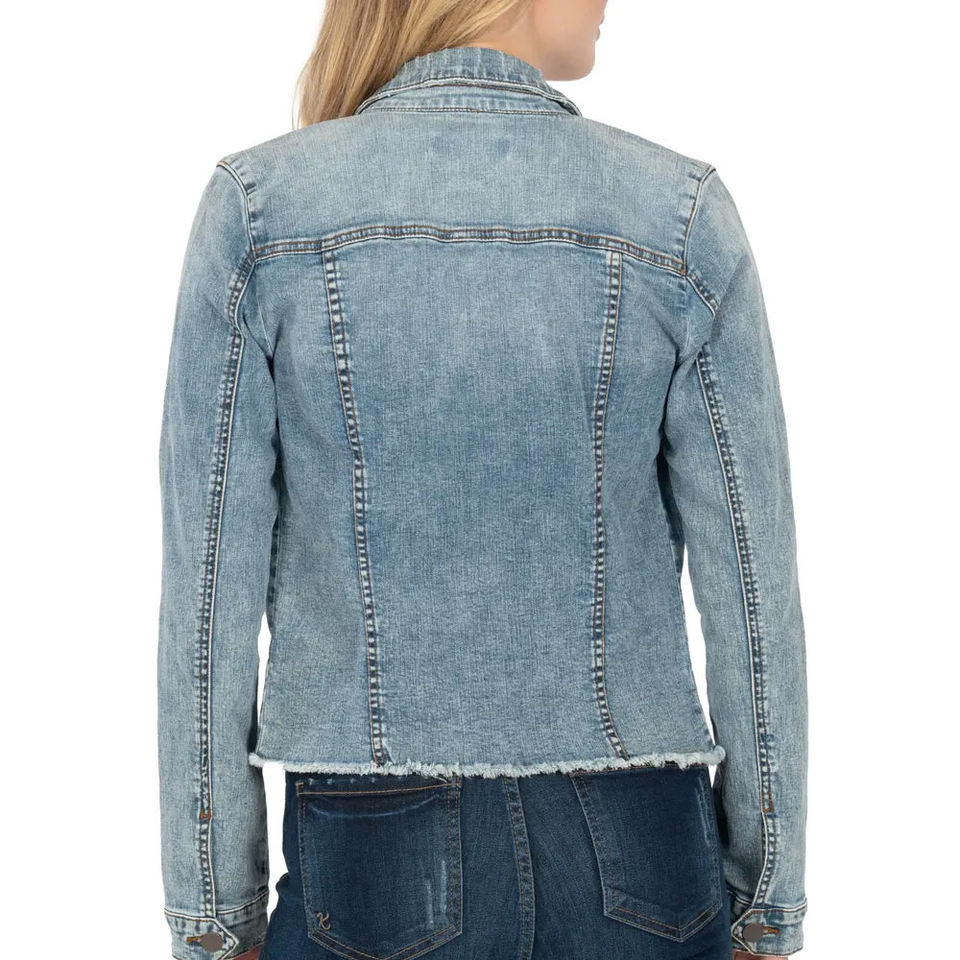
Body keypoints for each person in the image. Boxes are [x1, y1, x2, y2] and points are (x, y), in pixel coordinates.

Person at [157, 2, 808, 958]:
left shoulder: (264, 211)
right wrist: (767, 898)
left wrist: (213, 914)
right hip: (643, 848)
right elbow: (752, 585)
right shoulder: (675, 214)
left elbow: (206, 589)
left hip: (373, 852)